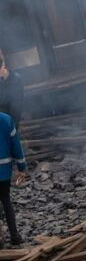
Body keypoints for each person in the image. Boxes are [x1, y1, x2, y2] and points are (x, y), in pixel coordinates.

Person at [0, 111, 25, 247]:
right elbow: (16, 145)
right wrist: (22, 166)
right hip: (3, 171)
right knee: (6, 201)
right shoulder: (6, 119)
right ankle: (14, 236)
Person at [0, 53, 23, 127]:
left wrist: (11, 130)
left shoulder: (15, 80)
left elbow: (15, 111)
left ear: (3, 66)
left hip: (7, 125)